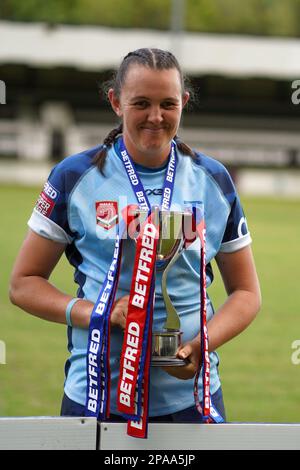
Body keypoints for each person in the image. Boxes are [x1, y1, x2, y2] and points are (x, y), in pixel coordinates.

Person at [9, 48, 261, 425]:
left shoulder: (213, 181)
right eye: (141, 103)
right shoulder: (73, 177)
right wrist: (100, 313)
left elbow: (246, 293)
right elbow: (23, 284)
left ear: (184, 103)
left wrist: (200, 343)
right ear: (115, 101)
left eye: (168, 104)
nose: (155, 117)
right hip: (96, 397)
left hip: (191, 400)